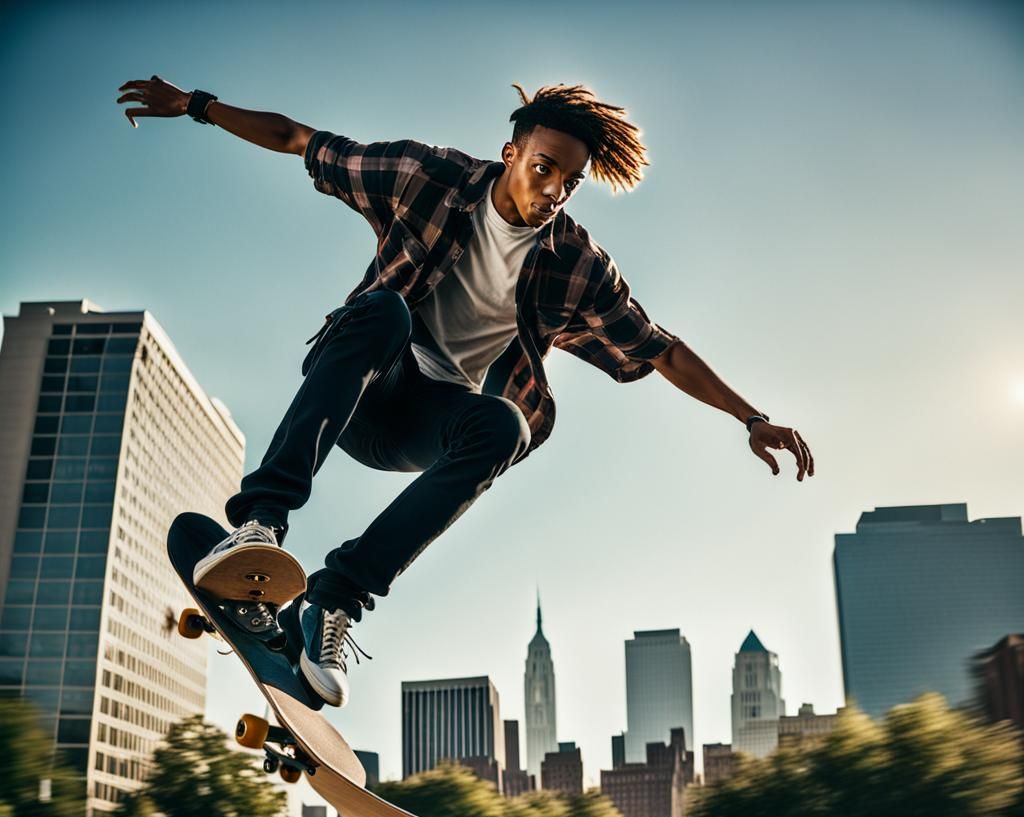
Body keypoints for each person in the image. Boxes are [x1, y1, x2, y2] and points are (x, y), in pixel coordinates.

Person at [117, 76, 814, 709]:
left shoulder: (576, 262)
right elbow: (301, 139)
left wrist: (749, 416)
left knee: (506, 428)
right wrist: (198, 107)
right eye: (544, 169)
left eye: (569, 182)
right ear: (511, 154)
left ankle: (331, 604)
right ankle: (260, 526)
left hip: (424, 424)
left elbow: (660, 348)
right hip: (362, 382)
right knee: (385, 310)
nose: (553, 192)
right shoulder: (426, 175)